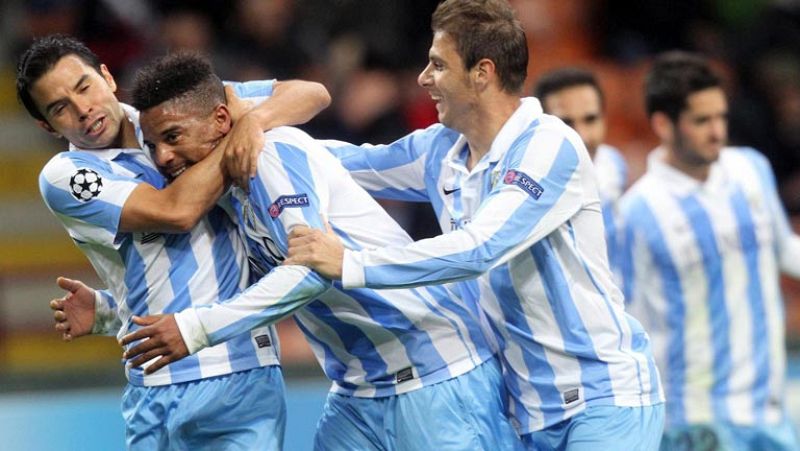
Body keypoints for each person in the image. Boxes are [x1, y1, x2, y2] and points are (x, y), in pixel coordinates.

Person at [281, 1, 664, 449]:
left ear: (482, 73)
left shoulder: (548, 146)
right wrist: (253, 130)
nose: (424, 78)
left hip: (602, 399)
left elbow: (478, 250)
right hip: (521, 409)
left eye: (438, 65)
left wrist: (352, 263)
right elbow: (343, 162)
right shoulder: (441, 149)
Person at [119, 52, 524, 450]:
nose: (163, 158)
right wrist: (108, 311)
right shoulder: (226, 192)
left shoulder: (270, 156)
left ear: (222, 120)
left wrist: (195, 329)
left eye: (173, 138)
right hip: (357, 391)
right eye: (152, 146)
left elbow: (310, 269)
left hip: (435, 373)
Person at [17, 34, 330, 450]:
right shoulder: (68, 174)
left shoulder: (171, 108)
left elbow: (312, 93)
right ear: (47, 126)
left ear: (107, 77)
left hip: (241, 369)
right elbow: (177, 212)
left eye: (84, 87)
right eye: (60, 108)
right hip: (158, 382)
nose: (82, 109)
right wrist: (231, 136)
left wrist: (251, 121)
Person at [618, 51, 800, 450]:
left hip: (768, 406)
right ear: (664, 124)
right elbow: (628, 318)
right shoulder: (638, 210)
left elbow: (784, 249)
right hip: (696, 419)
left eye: (721, 116)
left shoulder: (751, 168)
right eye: (702, 121)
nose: (717, 131)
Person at [534, 67, 628, 270]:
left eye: (590, 119)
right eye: (566, 123)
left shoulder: (613, 163)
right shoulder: (531, 190)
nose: (582, 136)